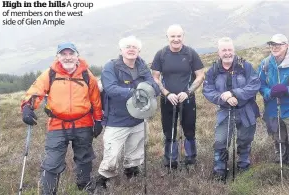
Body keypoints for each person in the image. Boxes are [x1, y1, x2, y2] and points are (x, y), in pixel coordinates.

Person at [20, 42, 103, 194]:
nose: (68, 57)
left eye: (71, 54)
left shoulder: (86, 74)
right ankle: (48, 192)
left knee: (84, 157)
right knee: (52, 162)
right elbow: (35, 91)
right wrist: (27, 107)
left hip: (83, 122)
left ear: (77, 56)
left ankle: (83, 186)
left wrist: (98, 120)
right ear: (58, 56)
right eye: (63, 54)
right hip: (57, 124)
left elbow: (95, 99)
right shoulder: (50, 73)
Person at [93, 36, 160, 189]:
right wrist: (135, 92)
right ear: (121, 50)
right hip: (117, 118)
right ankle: (102, 179)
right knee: (112, 152)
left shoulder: (142, 65)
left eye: (134, 47)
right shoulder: (111, 67)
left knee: (136, 148)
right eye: (127, 47)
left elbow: (152, 84)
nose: (131, 49)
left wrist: (151, 89)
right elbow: (110, 88)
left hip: (139, 116)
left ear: (139, 50)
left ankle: (132, 170)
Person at [202, 37, 261, 181]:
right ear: (218, 52)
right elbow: (207, 90)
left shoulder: (245, 66)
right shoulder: (213, 70)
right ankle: (219, 171)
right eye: (224, 50)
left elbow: (254, 85)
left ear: (234, 51)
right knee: (220, 141)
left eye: (229, 50)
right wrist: (224, 97)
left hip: (246, 110)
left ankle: (243, 167)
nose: (227, 53)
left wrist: (235, 93)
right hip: (224, 111)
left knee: (245, 140)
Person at [151, 24, 205, 169]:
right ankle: (170, 161)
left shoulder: (190, 53)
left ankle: (190, 159)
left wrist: (187, 93)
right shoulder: (161, 54)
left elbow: (200, 76)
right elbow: (155, 77)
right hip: (167, 100)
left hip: (187, 100)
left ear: (183, 36)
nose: (176, 39)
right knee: (169, 131)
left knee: (189, 130)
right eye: (172, 36)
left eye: (178, 36)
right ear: (167, 37)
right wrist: (166, 93)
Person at [258, 34, 289, 166]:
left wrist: (287, 90)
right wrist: (269, 92)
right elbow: (260, 85)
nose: (275, 48)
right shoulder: (265, 64)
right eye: (272, 45)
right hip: (272, 109)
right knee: (278, 139)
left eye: (278, 45)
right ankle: (282, 162)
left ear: (286, 45)